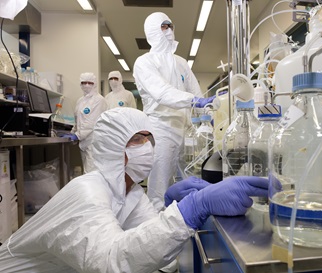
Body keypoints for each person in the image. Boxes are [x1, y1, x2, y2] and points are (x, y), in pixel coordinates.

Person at [0, 107, 275, 273]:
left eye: (149, 138)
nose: (148, 147)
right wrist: (194, 207)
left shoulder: (129, 193)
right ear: (112, 147)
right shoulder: (87, 192)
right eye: (137, 139)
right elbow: (113, 262)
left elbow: (155, 256)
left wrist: (169, 208)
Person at [133, 12, 217, 213]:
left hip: (186, 130)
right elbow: (162, 93)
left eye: (170, 25)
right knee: (160, 188)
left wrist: (208, 113)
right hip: (161, 129)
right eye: (163, 26)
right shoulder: (144, 62)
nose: (169, 30)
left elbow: (195, 91)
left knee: (188, 180)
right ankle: (156, 232)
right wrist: (193, 101)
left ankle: (186, 226)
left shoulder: (181, 62)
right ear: (153, 30)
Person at [64, 72, 108, 173]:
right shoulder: (80, 101)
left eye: (90, 83)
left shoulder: (99, 100)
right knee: (87, 171)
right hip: (85, 142)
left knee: (92, 173)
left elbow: (91, 122)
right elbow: (78, 119)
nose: (87, 85)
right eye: (84, 83)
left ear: (95, 84)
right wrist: (72, 132)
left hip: (94, 141)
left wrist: (77, 135)